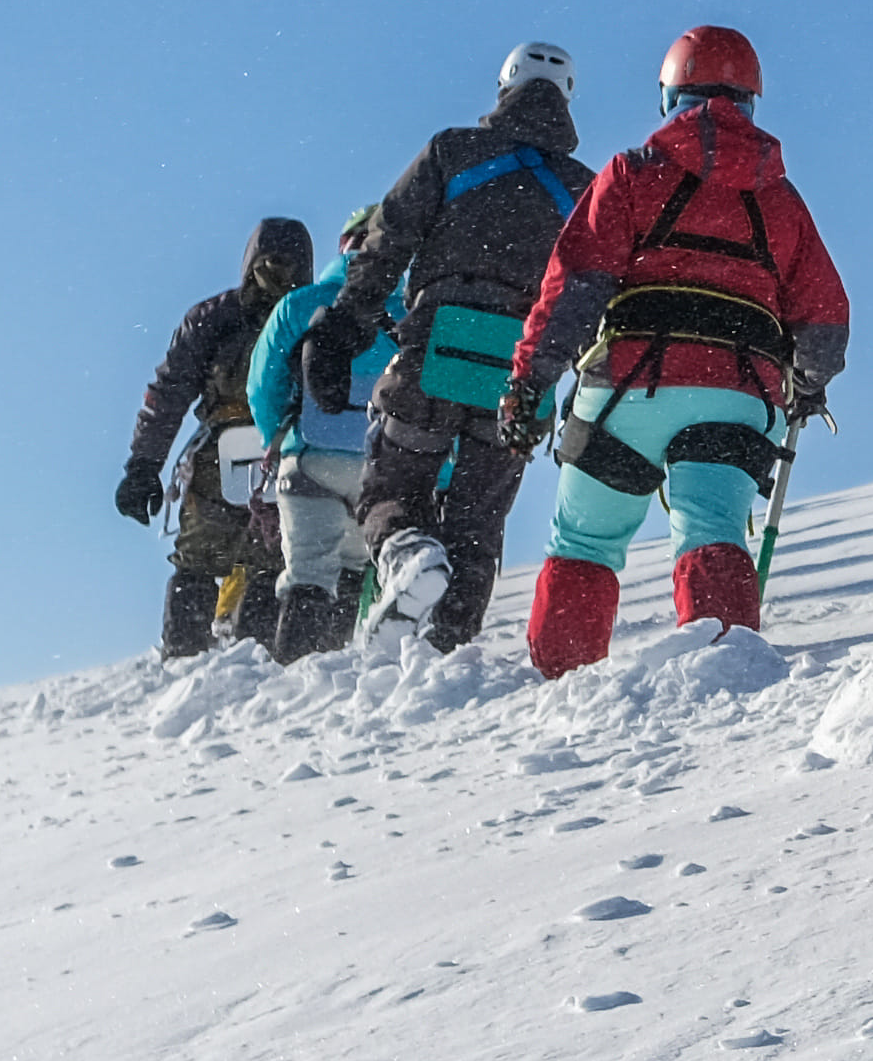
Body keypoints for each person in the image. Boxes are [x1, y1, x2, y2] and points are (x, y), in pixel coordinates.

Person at [500, 26, 851, 674]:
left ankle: (563, 678)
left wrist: (529, 383)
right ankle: (724, 665)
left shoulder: (632, 174)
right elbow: (825, 319)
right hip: (738, 391)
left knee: (585, 539)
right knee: (712, 527)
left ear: (669, 96)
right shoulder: (780, 199)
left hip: (628, 387)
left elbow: (573, 288)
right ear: (751, 100)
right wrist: (807, 382)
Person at [315, 42, 590, 654]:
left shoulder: (453, 151)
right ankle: (448, 648)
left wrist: (344, 323)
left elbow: (386, 239)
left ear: (504, 85)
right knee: (478, 519)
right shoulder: (585, 188)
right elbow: (591, 289)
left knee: (392, 487)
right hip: (520, 375)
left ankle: (408, 554)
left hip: (435, 349)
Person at [118, 218, 315, 657]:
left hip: (222, 457)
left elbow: (167, 395)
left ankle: (186, 660)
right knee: (272, 560)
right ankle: (258, 662)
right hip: (288, 455)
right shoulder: (313, 315)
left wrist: (144, 464)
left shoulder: (213, 318)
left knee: (200, 562)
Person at [245, 203, 390, 659]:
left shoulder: (300, 304)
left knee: (308, 574)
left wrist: (275, 437)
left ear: (344, 245)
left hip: (310, 456)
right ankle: (331, 676)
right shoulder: (409, 308)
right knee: (352, 568)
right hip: (378, 462)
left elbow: (262, 384)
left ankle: (294, 676)